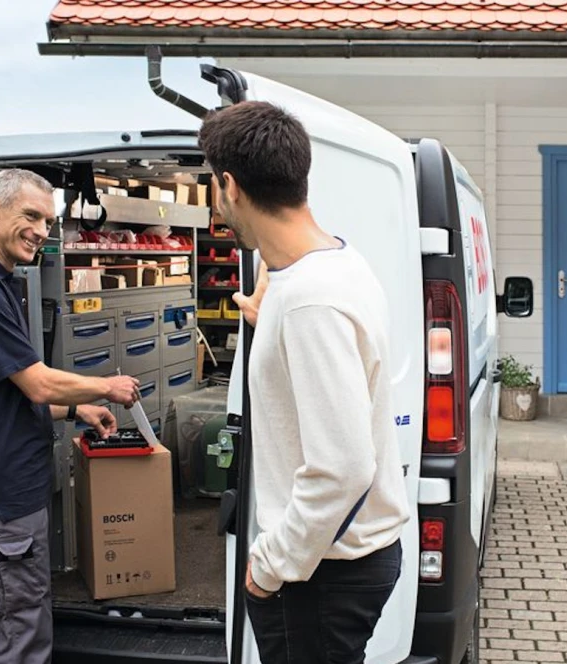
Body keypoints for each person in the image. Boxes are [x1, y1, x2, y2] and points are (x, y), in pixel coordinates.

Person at [198, 102, 411, 663]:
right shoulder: (337, 263)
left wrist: (271, 566)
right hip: (341, 561)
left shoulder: (308, 301)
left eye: (214, 189)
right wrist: (268, 320)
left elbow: (343, 467)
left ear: (229, 185)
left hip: (319, 575)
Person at [0, 168, 141, 664]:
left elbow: (4, 388)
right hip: (3, 495)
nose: (43, 230)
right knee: (19, 633)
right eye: (32, 215)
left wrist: (76, 407)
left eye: (48, 219)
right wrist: (106, 386)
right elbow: (37, 381)